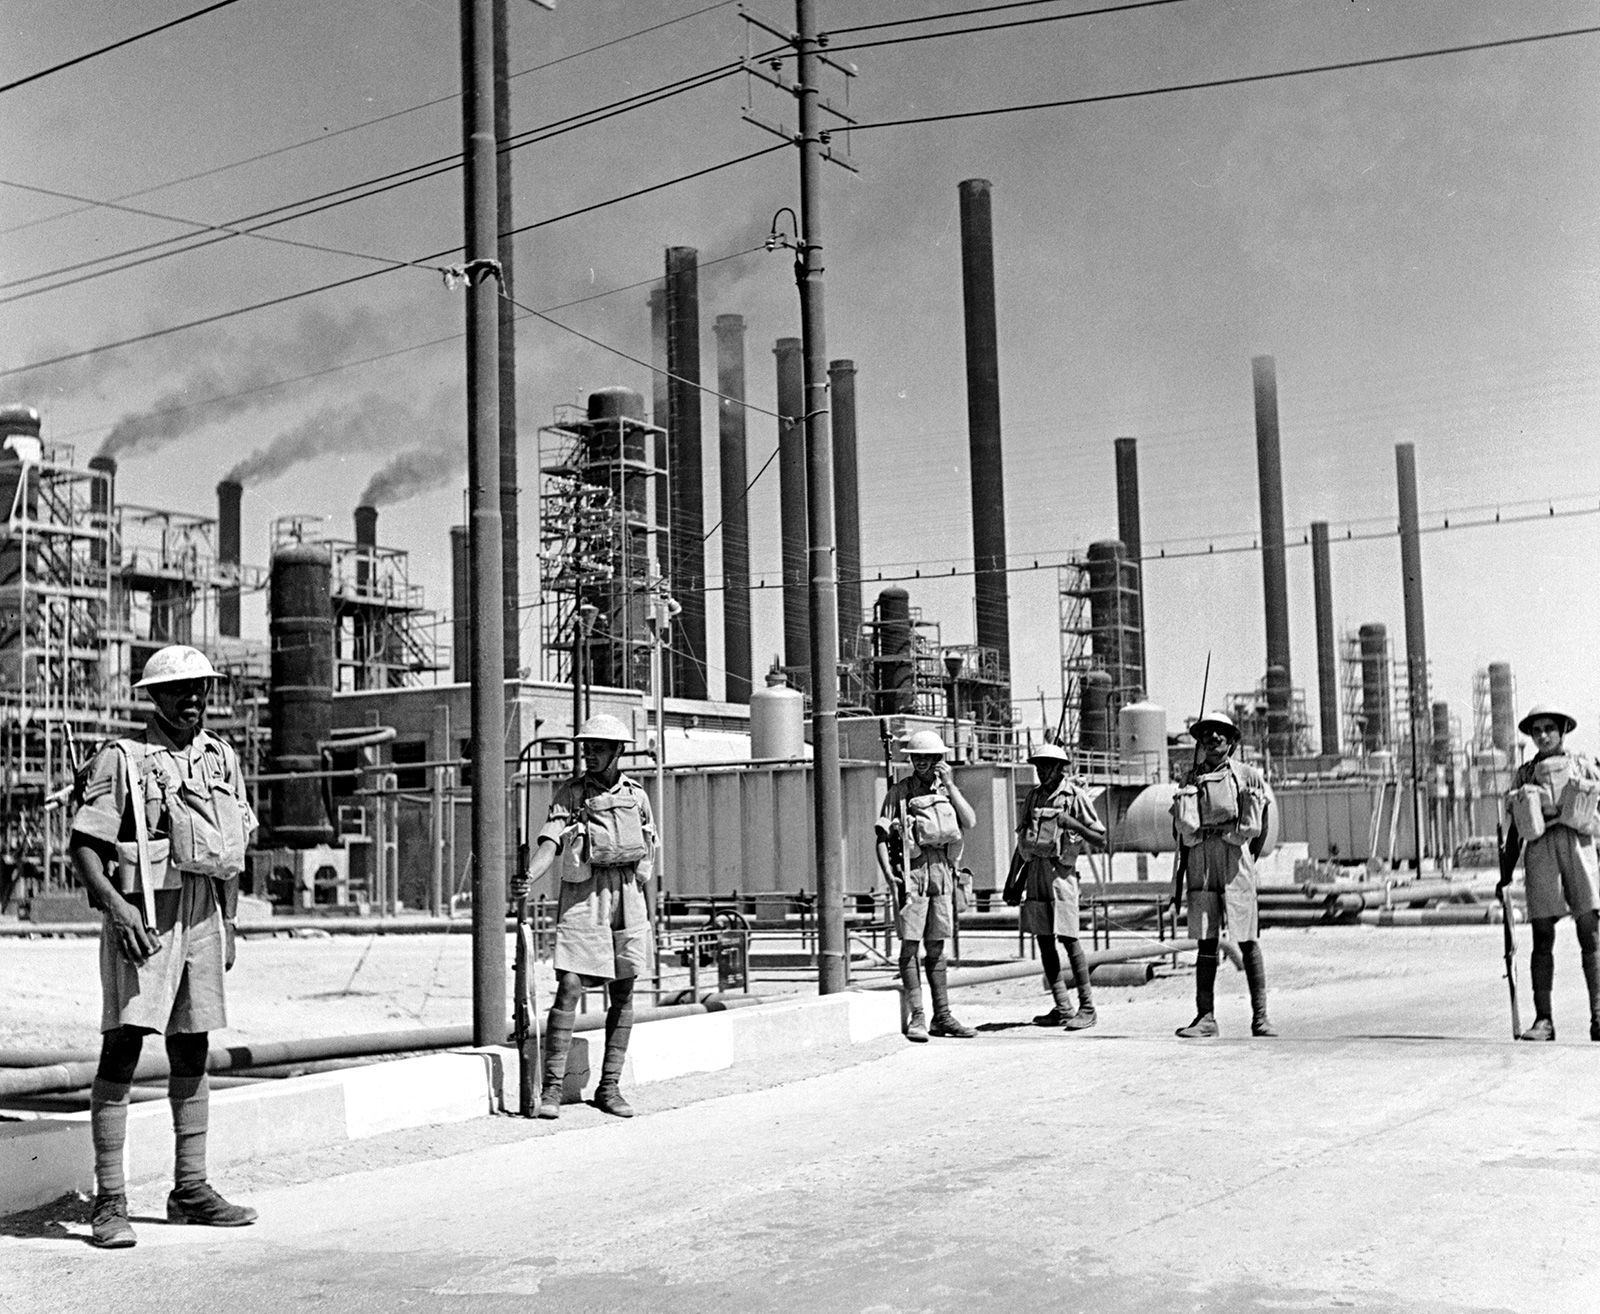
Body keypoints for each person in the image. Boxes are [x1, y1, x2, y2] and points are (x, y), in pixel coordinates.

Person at [68, 645, 258, 1249]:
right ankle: (110, 1201)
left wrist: (228, 919)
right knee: (124, 1043)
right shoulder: (122, 761)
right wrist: (115, 907)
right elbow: (85, 848)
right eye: (180, 690)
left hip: (202, 910)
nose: (194, 700)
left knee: (194, 1043)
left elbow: (235, 844)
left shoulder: (219, 756)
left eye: (201, 688)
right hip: (145, 914)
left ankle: (190, 1189)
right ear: (153, 697)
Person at [514, 713, 657, 1117]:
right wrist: (530, 875)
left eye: (598, 748)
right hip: (583, 895)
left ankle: (609, 1087)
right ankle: (553, 1091)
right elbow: (549, 841)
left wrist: (647, 912)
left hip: (628, 895)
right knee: (570, 985)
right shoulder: (570, 794)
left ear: (618, 751)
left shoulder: (638, 796)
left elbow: (647, 853)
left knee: (625, 989)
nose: (589, 754)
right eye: (586, 747)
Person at [1169, 711, 1276, 1039]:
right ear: (1199, 741)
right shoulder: (1188, 780)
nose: (1213, 738)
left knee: (1247, 939)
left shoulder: (1247, 775)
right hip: (1201, 859)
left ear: (1231, 741)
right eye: (1207, 733)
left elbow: (1263, 821)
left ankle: (1261, 1017)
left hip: (1235, 859)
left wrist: (1245, 856)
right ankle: (1205, 1017)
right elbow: (1179, 828)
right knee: (1206, 940)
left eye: (1221, 733)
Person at [1503, 704, 1600, 1042]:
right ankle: (1544, 1020)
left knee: (1591, 933)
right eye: (1536, 730)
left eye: (1548, 728)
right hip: (1541, 851)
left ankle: (1599, 1017)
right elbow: (1513, 828)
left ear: (1562, 731)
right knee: (1542, 936)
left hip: (1579, 847)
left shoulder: (1583, 766)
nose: (1542, 735)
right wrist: (1505, 871)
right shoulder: (1525, 775)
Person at [875, 730, 978, 1041]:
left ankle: (942, 1016)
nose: (921, 762)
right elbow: (881, 837)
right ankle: (918, 1015)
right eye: (916, 757)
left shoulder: (947, 792)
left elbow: (970, 822)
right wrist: (890, 877)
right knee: (909, 945)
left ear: (938, 759)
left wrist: (951, 785)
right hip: (913, 873)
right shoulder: (900, 792)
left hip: (943, 873)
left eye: (928, 757)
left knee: (936, 947)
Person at [1002, 743, 1107, 1029]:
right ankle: (1062, 1006)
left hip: (1061, 876)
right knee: (1044, 939)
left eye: (1047, 766)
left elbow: (1100, 839)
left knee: (1069, 939)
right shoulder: (1033, 797)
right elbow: (1022, 842)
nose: (1041, 771)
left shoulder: (1075, 797)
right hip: (1035, 872)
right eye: (1038, 766)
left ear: (1060, 768)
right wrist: (1014, 882)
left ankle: (1087, 1007)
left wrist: (1072, 822)